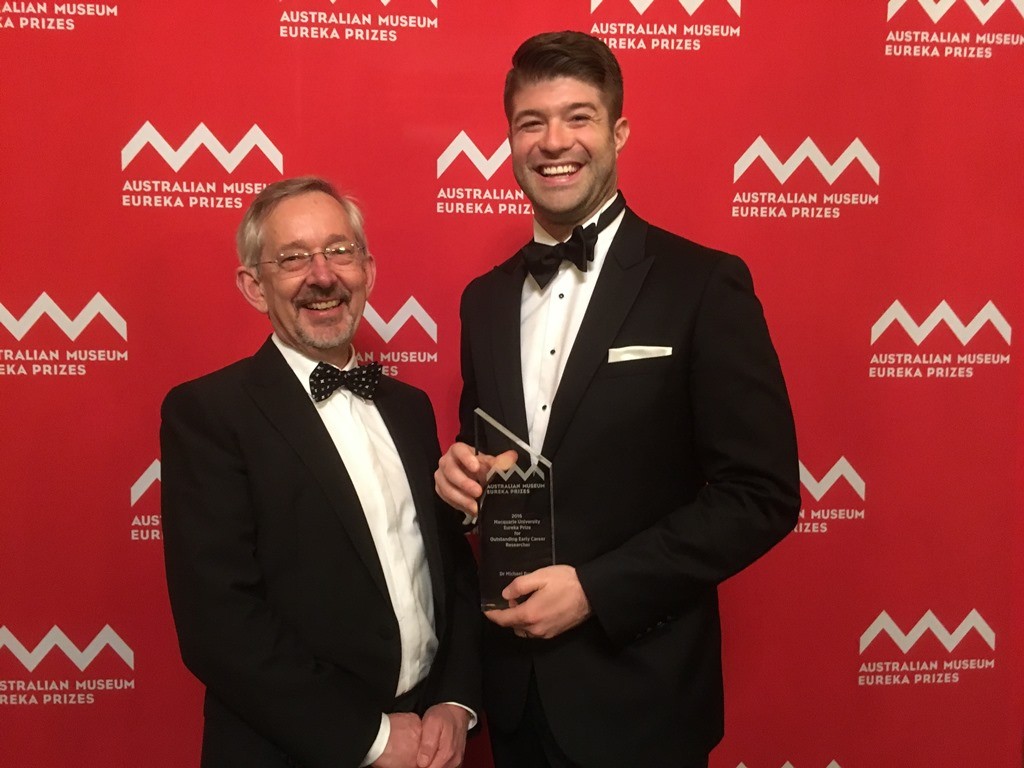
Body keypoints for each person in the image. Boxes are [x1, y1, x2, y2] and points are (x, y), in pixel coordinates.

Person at [434, 31, 799, 768]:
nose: (553, 141)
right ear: (509, 139)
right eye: (531, 122)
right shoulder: (484, 300)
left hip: (643, 700)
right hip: (517, 700)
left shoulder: (702, 285)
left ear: (618, 132)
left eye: (579, 116)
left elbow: (761, 495)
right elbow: (508, 465)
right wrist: (465, 489)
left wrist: (598, 590)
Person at [161, 176, 480, 768]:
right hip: (291, 750)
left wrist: (456, 702)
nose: (323, 275)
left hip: (430, 744)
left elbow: (452, 567)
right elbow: (218, 624)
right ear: (254, 286)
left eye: (340, 251)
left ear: (368, 271)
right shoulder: (207, 414)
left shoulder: (409, 408)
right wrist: (376, 740)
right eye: (292, 258)